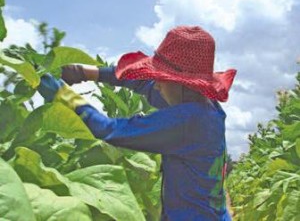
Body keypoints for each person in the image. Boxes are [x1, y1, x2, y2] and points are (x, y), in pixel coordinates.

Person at [38, 25, 237, 221]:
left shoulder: (187, 122)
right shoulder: (207, 108)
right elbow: (144, 83)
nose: (156, 84)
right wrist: (88, 73)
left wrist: (60, 94)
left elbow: (111, 130)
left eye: (162, 78)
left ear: (183, 84)